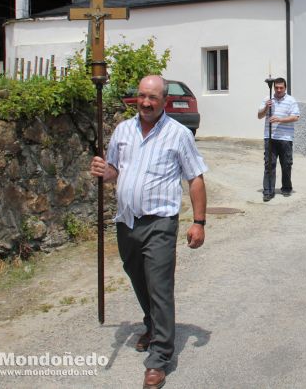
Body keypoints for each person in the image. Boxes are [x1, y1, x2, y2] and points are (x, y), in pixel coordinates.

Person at [90, 75, 208, 389]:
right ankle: (153, 325)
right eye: (142, 96)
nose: (146, 102)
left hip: (160, 222)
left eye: (152, 98)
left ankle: (159, 358)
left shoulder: (178, 134)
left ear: (164, 101)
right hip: (126, 221)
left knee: (159, 285)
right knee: (137, 278)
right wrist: (105, 172)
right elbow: (116, 171)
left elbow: (195, 178)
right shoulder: (123, 131)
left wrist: (199, 222)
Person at [257, 77, 300, 202]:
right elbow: (259, 116)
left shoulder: (291, 100)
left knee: (286, 164)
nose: (279, 90)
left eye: (281, 87)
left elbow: (296, 117)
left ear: (285, 88)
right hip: (270, 137)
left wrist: (280, 119)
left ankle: (286, 187)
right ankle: (268, 191)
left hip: (286, 138)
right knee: (269, 164)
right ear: (274, 87)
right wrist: (266, 108)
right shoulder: (268, 99)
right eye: (276, 87)